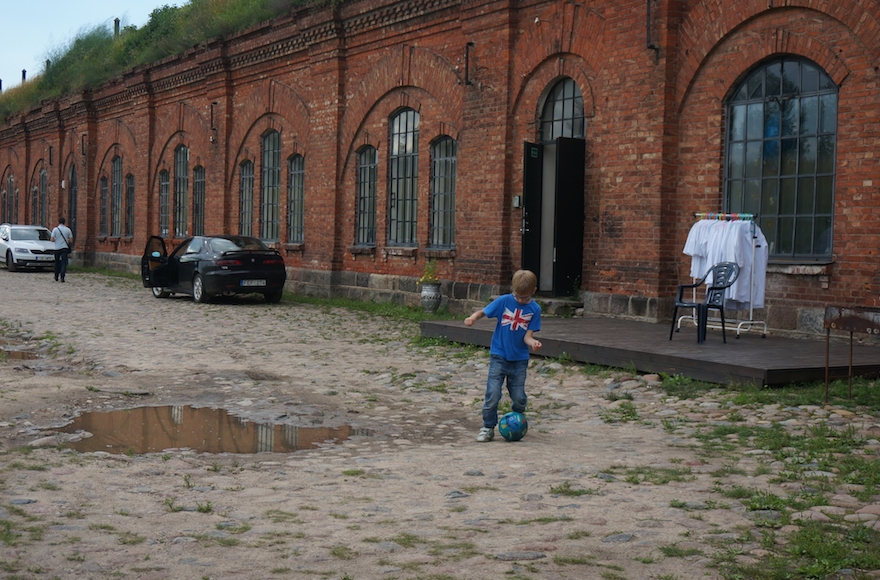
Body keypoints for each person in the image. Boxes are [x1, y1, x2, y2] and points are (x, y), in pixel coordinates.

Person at [464, 269, 542, 442]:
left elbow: (527, 336)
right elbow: (484, 312)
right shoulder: (505, 301)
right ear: (512, 290)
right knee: (493, 394)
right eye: (518, 296)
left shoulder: (535, 309)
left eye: (525, 297)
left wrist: (533, 343)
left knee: (519, 397)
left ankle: (517, 419)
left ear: (534, 291)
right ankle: (488, 427)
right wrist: (473, 317)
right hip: (499, 355)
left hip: (519, 360)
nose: (521, 300)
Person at [50, 217, 74, 282]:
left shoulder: (55, 229)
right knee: (63, 262)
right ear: (64, 222)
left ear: (59, 222)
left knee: (57, 262)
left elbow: (52, 240)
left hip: (57, 248)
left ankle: (56, 276)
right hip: (64, 248)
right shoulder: (68, 230)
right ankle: (62, 277)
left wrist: (57, 240)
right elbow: (71, 240)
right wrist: (66, 240)